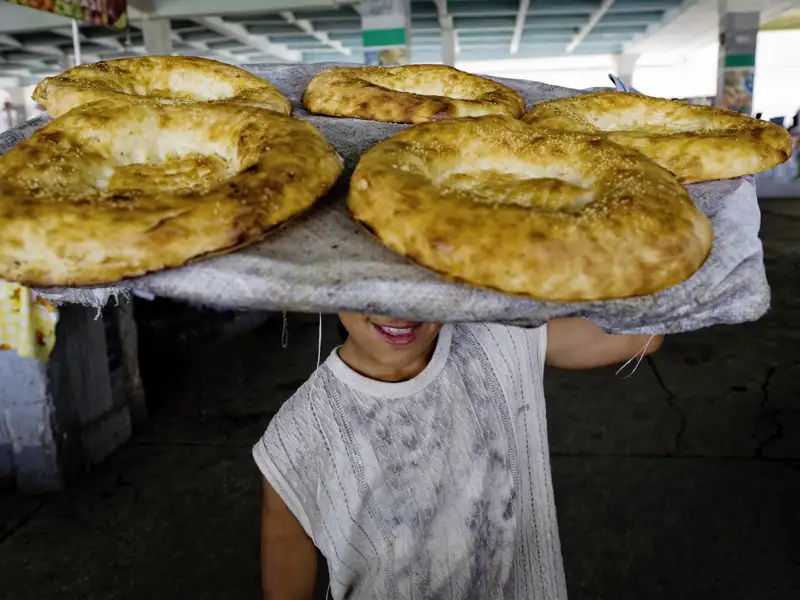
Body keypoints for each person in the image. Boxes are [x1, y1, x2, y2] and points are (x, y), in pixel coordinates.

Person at [254, 314, 662, 600]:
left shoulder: (499, 338)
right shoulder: (296, 438)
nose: (399, 307)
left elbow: (640, 335)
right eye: (372, 280)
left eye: (418, 277)